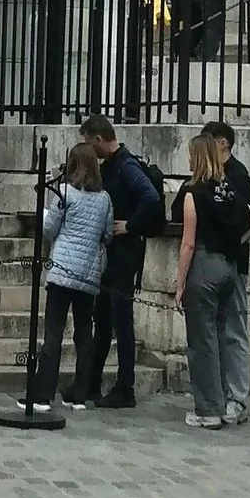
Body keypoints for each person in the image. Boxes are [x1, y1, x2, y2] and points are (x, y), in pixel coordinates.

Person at [81, 117, 162, 410]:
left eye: (90, 142)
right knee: (102, 319)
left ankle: (125, 386)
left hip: (124, 254)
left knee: (121, 321)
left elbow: (150, 198)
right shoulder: (114, 165)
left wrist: (131, 225)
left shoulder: (126, 166)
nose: (89, 148)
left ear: (99, 139)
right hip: (113, 254)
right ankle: (91, 381)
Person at [173, 128, 248, 428]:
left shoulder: (194, 193)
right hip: (229, 266)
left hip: (204, 264)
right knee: (220, 335)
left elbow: (188, 242)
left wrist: (179, 283)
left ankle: (208, 409)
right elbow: (249, 220)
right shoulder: (228, 189)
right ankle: (225, 399)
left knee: (201, 342)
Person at [34, 140, 112, 406]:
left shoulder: (64, 192)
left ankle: (43, 392)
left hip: (62, 270)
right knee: (83, 334)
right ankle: (81, 392)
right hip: (88, 273)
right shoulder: (104, 199)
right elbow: (108, 234)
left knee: (54, 331)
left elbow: (49, 229)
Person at [196, 118, 250, 424]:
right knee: (217, 330)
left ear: (222, 143)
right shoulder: (211, 174)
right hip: (217, 263)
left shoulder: (237, 175)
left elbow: (246, 219)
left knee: (233, 330)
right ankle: (219, 395)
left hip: (232, 262)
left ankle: (237, 398)